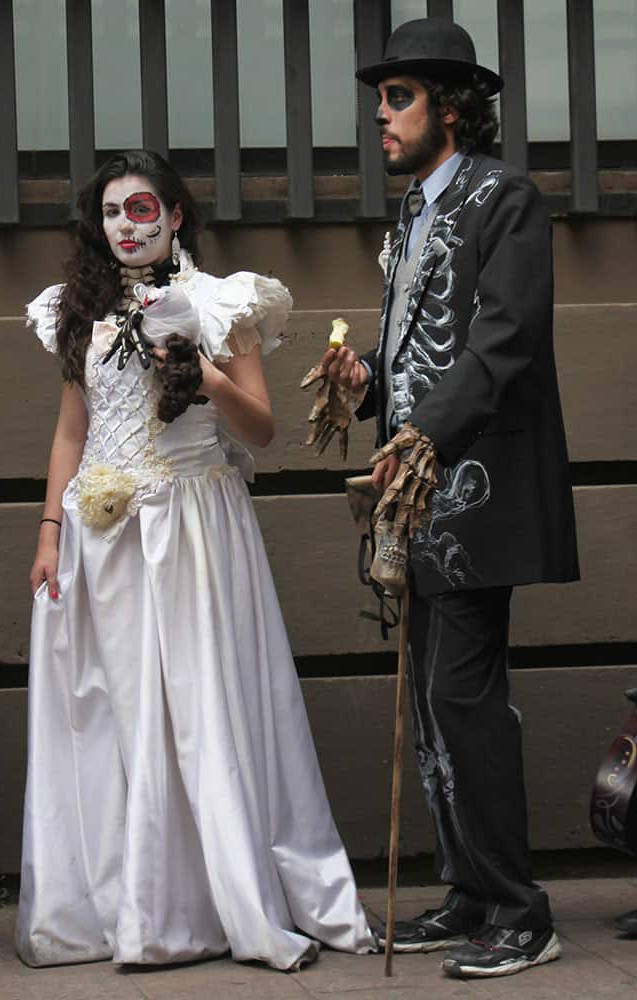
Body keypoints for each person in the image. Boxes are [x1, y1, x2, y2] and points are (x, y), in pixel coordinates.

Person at [16, 149, 375, 971]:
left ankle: (223, 897)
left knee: (199, 701)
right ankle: (130, 898)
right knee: (117, 709)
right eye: (110, 212)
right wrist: (49, 530)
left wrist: (205, 372)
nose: (124, 226)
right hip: (101, 532)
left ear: (175, 216)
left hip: (191, 527)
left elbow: (258, 429)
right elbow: (71, 432)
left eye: (141, 209)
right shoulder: (77, 310)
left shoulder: (223, 304)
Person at [317, 17, 579, 980]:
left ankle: (521, 909)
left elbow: (503, 340)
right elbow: (425, 344)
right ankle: (470, 892)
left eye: (398, 98)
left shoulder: (503, 198)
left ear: (453, 107)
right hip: (415, 493)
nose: (380, 116)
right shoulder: (411, 214)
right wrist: (366, 379)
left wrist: (424, 429)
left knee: (464, 696)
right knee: (433, 700)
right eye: (378, 100)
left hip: (477, 483)